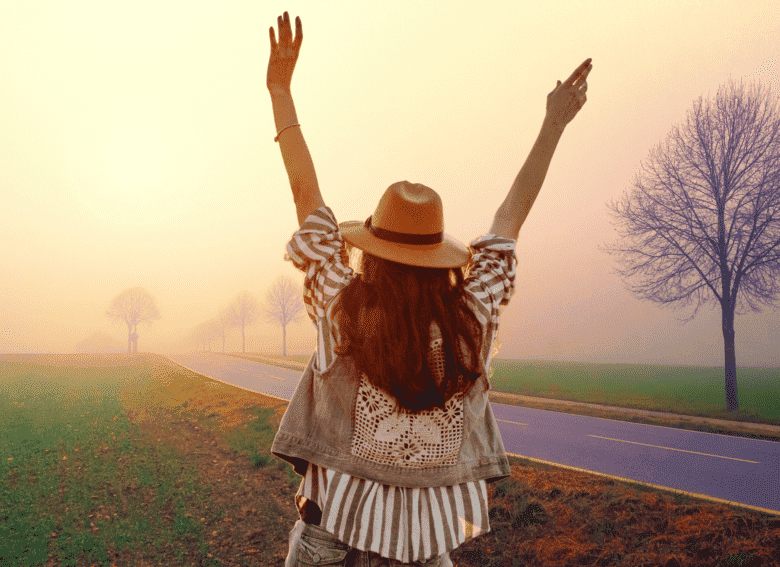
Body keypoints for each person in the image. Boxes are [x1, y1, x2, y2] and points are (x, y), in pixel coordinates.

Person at [266, 11, 591, 567]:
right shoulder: (473, 319)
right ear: (441, 260)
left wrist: (280, 92)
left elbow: (307, 200)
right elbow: (509, 221)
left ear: (371, 252)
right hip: (425, 554)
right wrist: (553, 126)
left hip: (330, 545)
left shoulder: (341, 308)